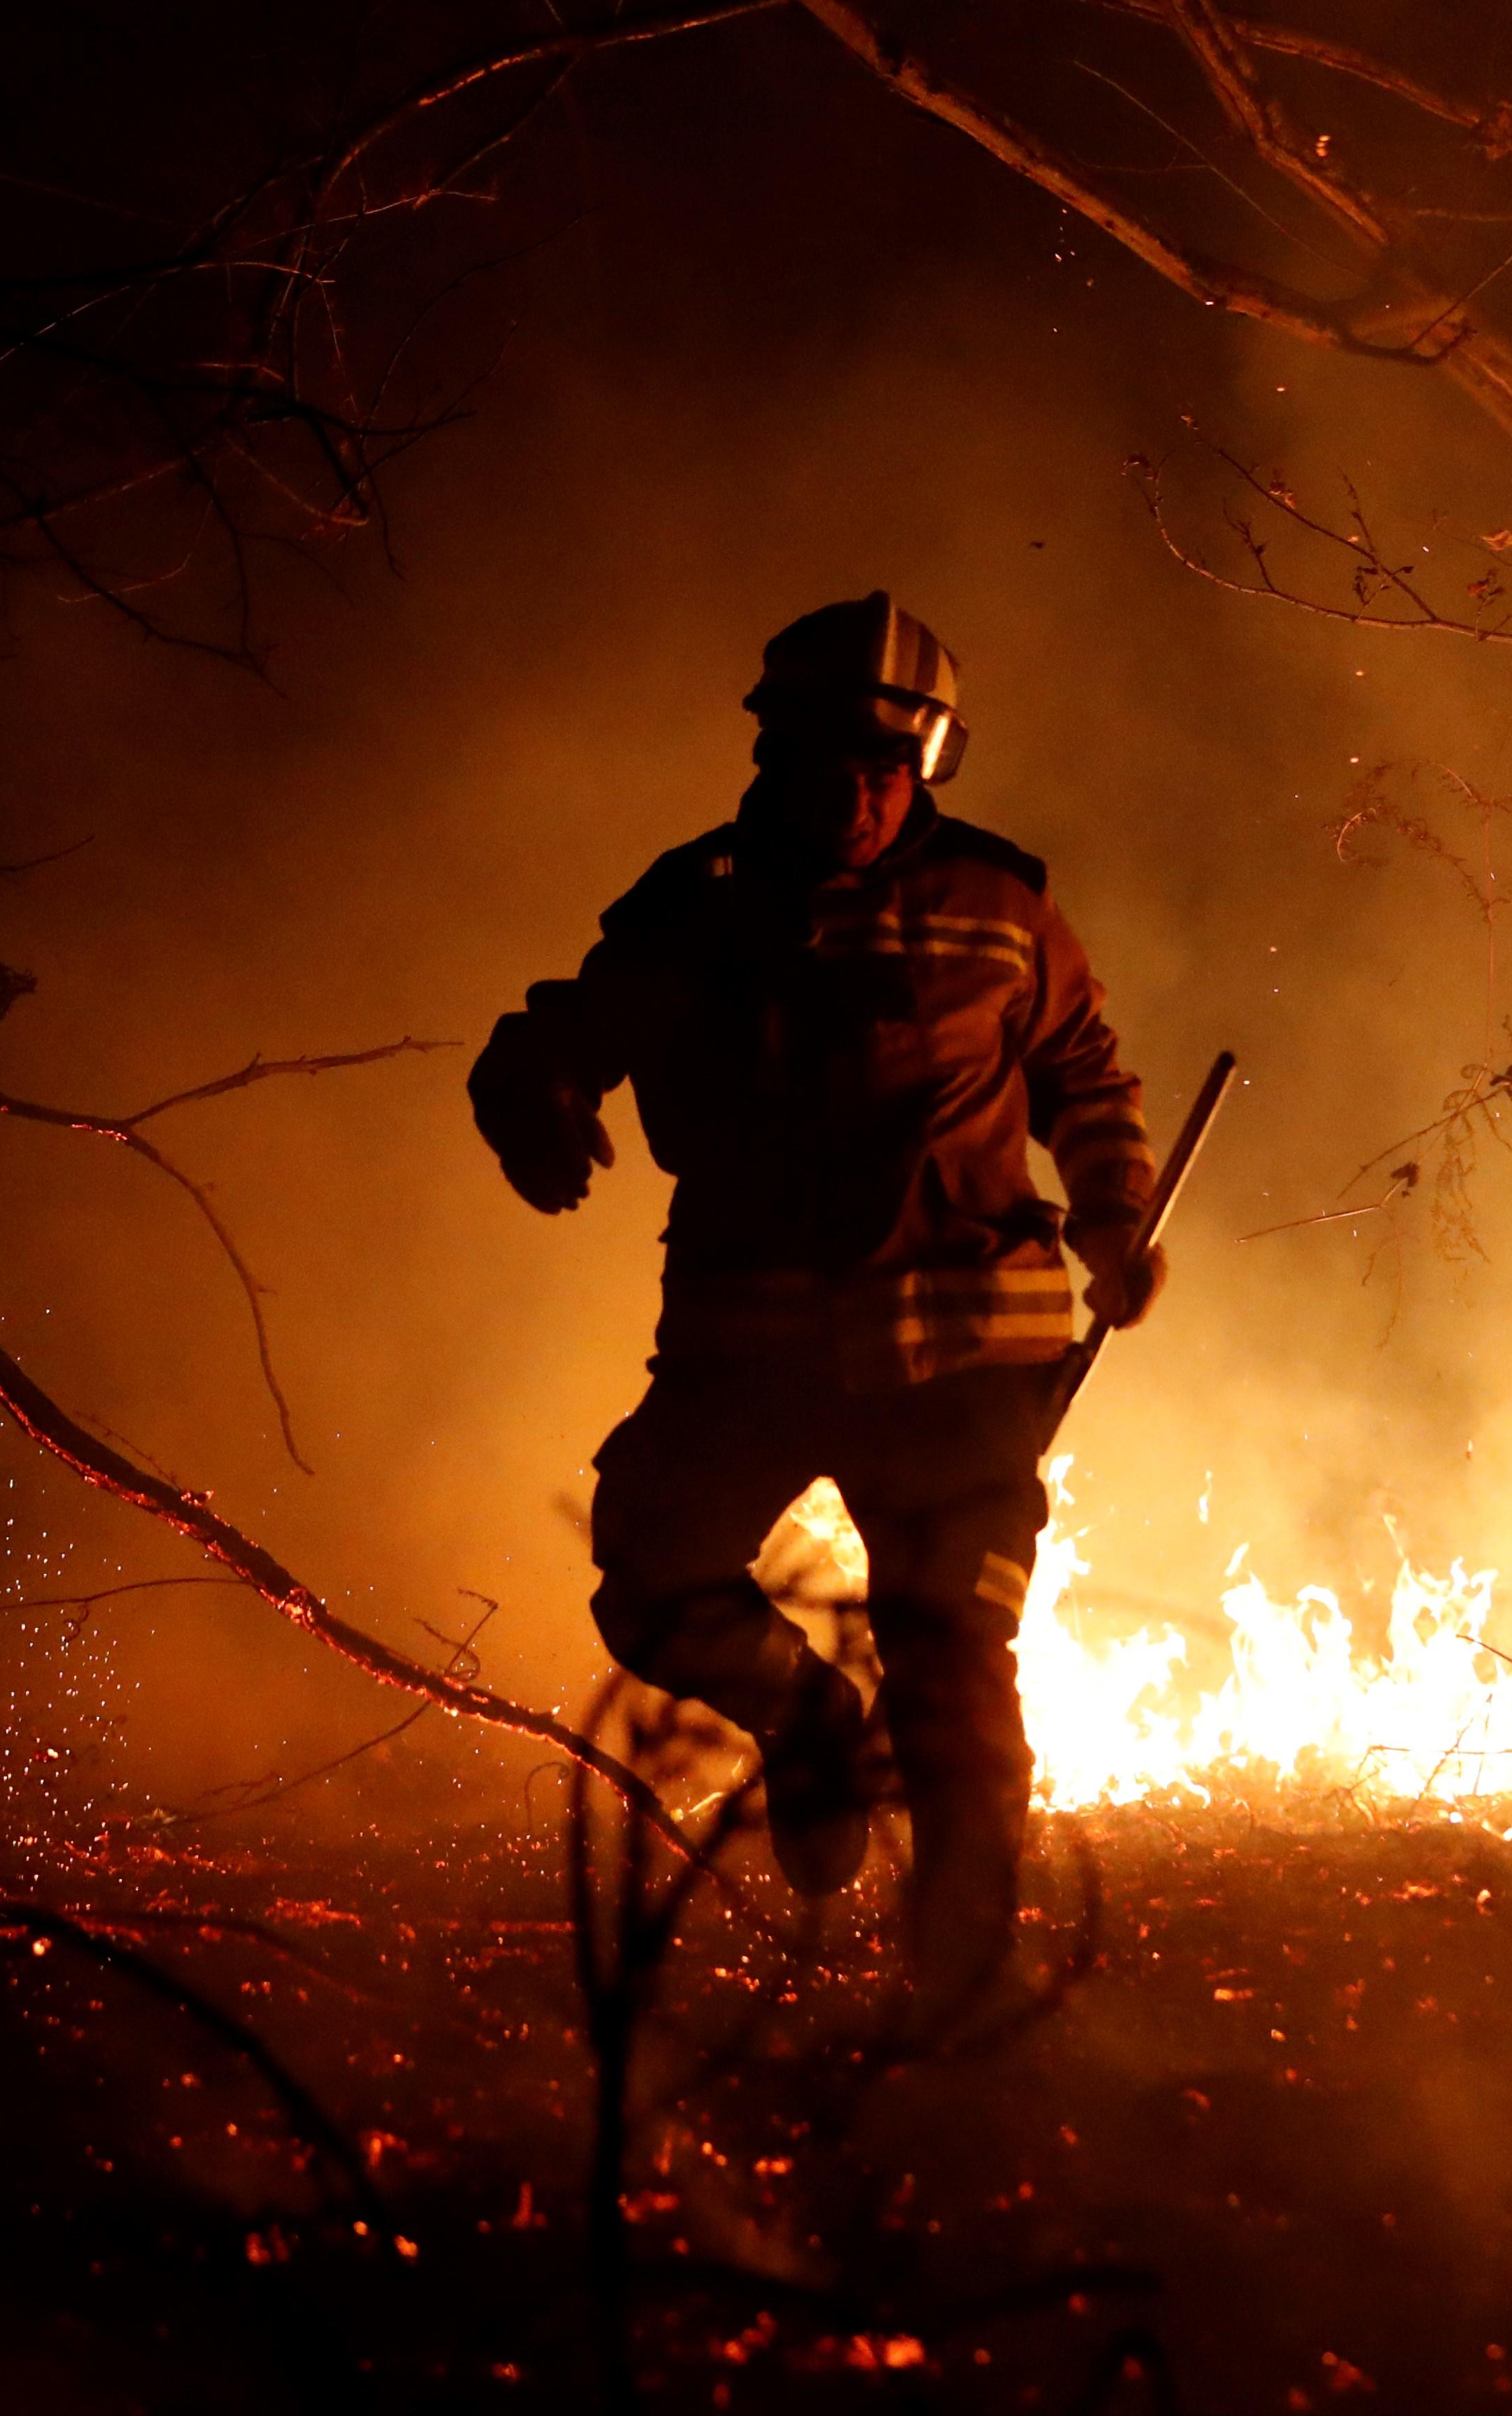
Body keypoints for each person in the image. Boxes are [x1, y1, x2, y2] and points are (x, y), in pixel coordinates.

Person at [468, 592, 1164, 2016]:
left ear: (930, 769)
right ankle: (807, 1720)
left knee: (955, 1671)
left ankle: (962, 1994)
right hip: (752, 1348)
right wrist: (536, 1106)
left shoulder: (1003, 908)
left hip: (965, 1361)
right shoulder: (697, 908)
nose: (858, 798)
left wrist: (1115, 1218)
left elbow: (1085, 1075)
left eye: (888, 770)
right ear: (772, 758)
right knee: (655, 1582)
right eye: (830, 766)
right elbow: (556, 1038)